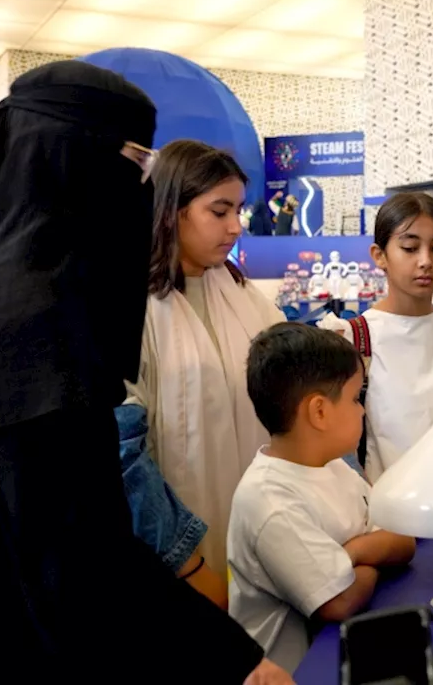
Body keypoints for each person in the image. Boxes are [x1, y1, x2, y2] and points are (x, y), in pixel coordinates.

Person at [0, 61, 290, 684]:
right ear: (69, 160)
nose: (140, 188)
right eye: (134, 162)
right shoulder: (34, 318)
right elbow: (72, 552)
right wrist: (234, 658)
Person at [118, 139, 286, 605]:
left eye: (239, 211)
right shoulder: (131, 306)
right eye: (219, 211)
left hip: (251, 509)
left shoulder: (239, 291)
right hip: (169, 540)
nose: (235, 227)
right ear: (172, 210)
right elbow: (125, 450)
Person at [228, 323, 416, 670]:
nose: (362, 409)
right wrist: (374, 553)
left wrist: (354, 553)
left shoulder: (335, 467)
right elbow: (340, 600)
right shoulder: (270, 501)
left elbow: (403, 540)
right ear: (319, 412)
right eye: (356, 397)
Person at [322, 192, 433, 482]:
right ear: (379, 255)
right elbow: (326, 449)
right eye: (409, 248)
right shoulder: (354, 338)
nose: (425, 261)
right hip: (387, 510)